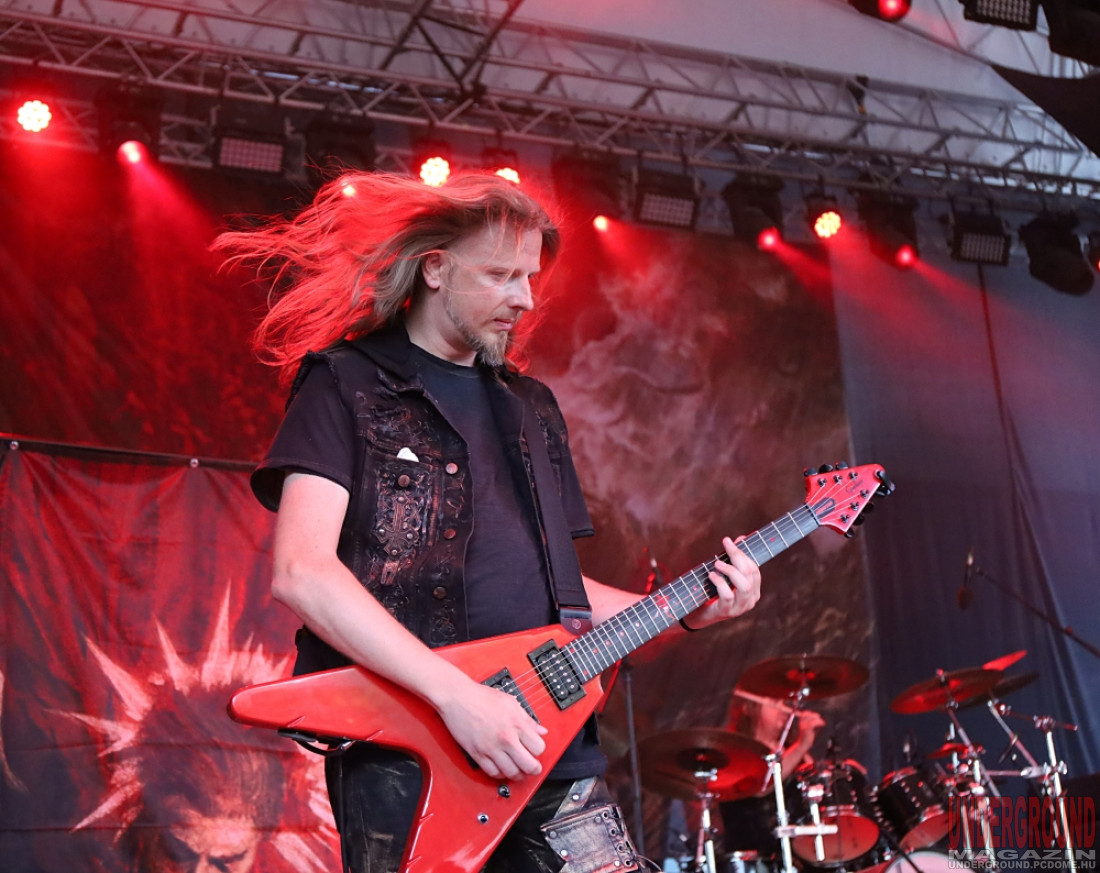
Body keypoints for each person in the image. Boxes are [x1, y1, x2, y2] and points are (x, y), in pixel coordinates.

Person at [217, 170, 764, 873]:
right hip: (409, 752)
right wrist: (458, 698)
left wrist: (689, 611)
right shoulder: (345, 383)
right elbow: (304, 573)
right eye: (502, 275)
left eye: (530, 276)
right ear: (435, 268)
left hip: (551, 748)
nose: (525, 298)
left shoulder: (531, 408)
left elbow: (560, 593)